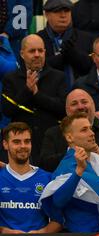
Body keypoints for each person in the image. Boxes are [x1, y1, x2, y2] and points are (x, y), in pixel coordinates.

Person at [1, 34, 67, 165]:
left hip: (51, 142)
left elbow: (63, 109)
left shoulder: (58, 76)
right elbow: (7, 110)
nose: (37, 55)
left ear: (45, 52)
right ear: (22, 53)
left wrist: (37, 95)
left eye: (40, 50)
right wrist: (26, 90)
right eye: (32, 51)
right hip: (22, 144)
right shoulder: (11, 78)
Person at [0, 122, 62, 234]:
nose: (23, 146)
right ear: (5, 144)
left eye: (27, 141)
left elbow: (58, 220)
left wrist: (42, 232)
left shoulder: (47, 178)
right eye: (16, 142)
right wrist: (4, 231)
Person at [37, 0, 94, 88]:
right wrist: (60, 58)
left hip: (81, 96)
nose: (63, 15)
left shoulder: (86, 38)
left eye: (67, 11)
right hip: (49, 95)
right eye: (57, 11)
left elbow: (93, 69)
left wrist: (74, 55)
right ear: (46, 14)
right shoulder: (37, 40)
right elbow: (35, 69)